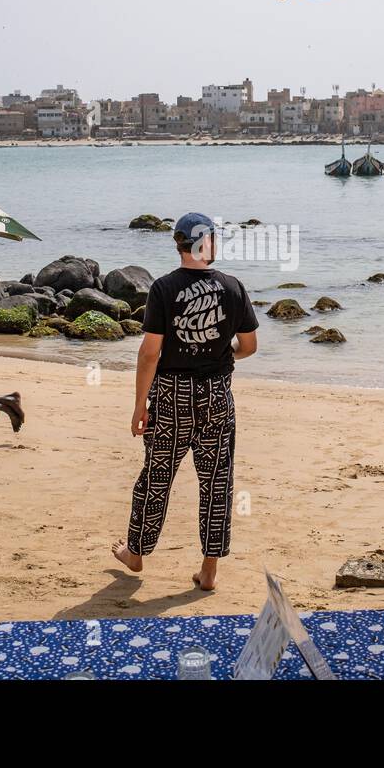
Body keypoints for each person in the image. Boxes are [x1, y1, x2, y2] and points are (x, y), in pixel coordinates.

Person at [112, 212, 259, 591]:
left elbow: (149, 354)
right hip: (217, 394)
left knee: (157, 475)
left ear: (177, 243)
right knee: (217, 482)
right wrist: (222, 356)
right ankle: (209, 571)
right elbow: (249, 346)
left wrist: (139, 404)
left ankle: (136, 554)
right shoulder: (233, 286)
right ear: (207, 242)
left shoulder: (163, 288)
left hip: (172, 395)